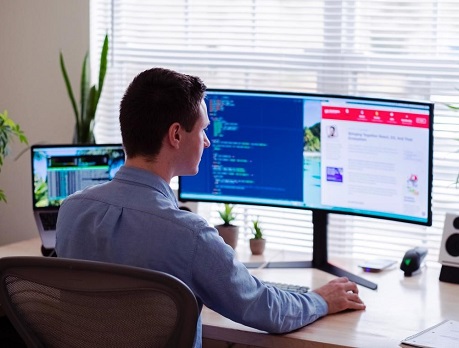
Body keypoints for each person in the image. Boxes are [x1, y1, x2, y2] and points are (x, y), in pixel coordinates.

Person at [56, 67, 365, 348]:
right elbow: (263, 308)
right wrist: (321, 300)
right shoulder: (188, 235)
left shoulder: (71, 211)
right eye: (203, 130)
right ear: (176, 135)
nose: (207, 142)